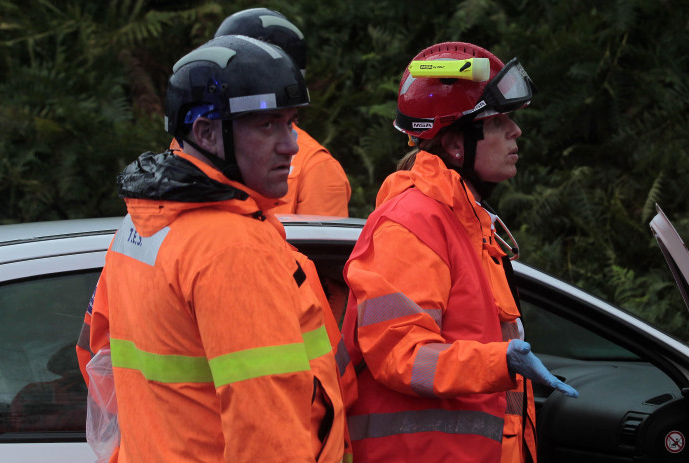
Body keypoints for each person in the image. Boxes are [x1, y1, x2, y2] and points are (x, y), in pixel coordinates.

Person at [75, 35, 348, 462]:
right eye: (267, 124)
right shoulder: (233, 249)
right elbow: (269, 438)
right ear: (206, 132)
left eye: (291, 122)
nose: (291, 144)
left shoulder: (140, 224)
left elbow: (96, 358)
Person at [338, 42, 579, 463]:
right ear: (454, 143)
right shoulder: (413, 223)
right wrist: (500, 361)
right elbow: (403, 356)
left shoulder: (464, 220)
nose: (515, 131)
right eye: (498, 120)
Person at [171, 8, 352, 218]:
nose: (289, 148)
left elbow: (322, 249)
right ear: (205, 133)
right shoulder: (188, 143)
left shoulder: (316, 168)